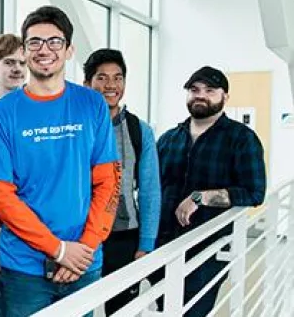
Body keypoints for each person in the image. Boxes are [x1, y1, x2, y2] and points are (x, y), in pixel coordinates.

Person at [0, 5, 121, 317]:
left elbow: (108, 180)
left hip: (83, 263)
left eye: (54, 42)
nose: (44, 50)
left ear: (69, 50)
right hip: (24, 268)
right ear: (25, 50)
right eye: (34, 42)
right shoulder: (3, 113)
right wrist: (58, 249)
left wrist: (82, 250)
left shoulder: (92, 104)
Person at [153, 66, 266, 316]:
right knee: (164, 308)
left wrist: (200, 197)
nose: (200, 95)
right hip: (164, 244)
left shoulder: (241, 138)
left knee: (193, 310)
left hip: (207, 248)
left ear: (225, 96)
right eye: (194, 90)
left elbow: (254, 192)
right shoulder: (169, 138)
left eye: (210, 90)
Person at [82, 48, 161, 315]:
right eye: (102, 78)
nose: (111, 85)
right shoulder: (76, 128)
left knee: (123, 310)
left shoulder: (141, 131)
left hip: (124, 237)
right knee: (81, 307)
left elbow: (150, 190)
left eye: (118, 78)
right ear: (87, 83)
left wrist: (146, 244)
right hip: (80, 237)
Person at [0, 33, 26, 317]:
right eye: (9, 62)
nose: (17, 69)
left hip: (26, 228)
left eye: (22, 62)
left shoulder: (34, 110)